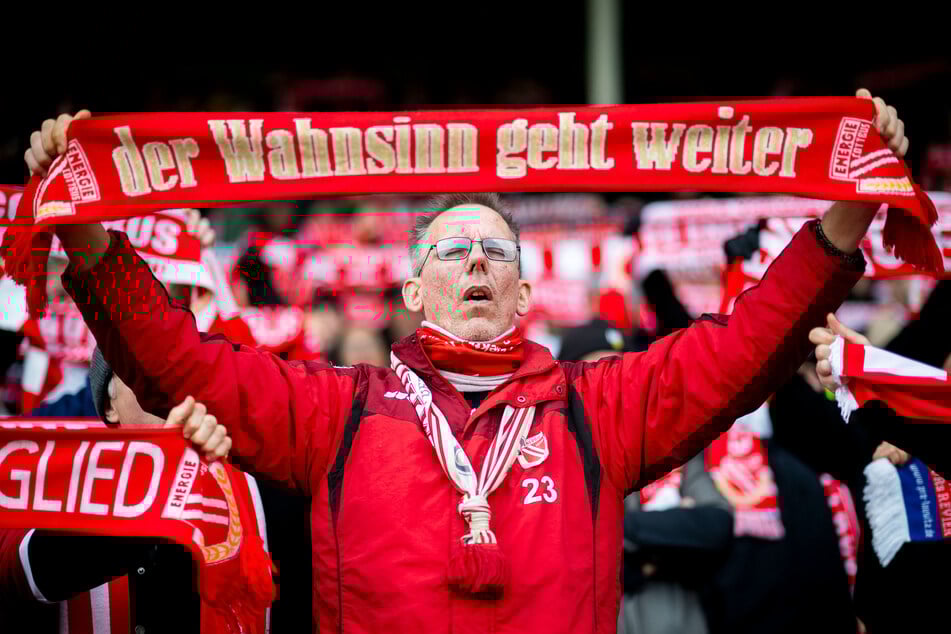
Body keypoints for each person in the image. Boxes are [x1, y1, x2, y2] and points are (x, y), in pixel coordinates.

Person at [25, 89, 902, 633]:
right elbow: (176, 362)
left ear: (526, 299)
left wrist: (843, 220)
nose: (477, 263)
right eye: (452, 251)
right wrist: (89, 236)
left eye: (496, 253)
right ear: (411, 291)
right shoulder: (338, 409)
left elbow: (744, 349)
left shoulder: (595, 407)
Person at [0, 349, 239, 634]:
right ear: (109, 405)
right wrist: (155, 479)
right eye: (141, 373)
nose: (166, 388)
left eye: (182, 373)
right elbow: (22, 571)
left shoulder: (244, 478)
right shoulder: (56, 482)